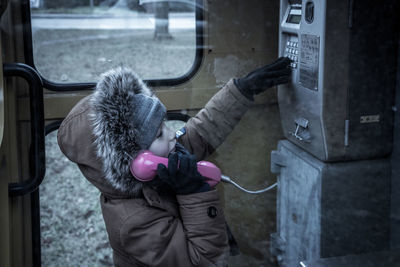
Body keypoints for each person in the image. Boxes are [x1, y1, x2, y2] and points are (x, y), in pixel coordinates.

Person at [57, 57, 291, 267]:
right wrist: (193, 192)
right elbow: (203, 261)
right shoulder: (133, 224)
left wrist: (242, 91)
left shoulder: (163, 161)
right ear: (137, 161)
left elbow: (200, 132)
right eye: (159, 134)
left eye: (165, 125)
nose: (171, 135)